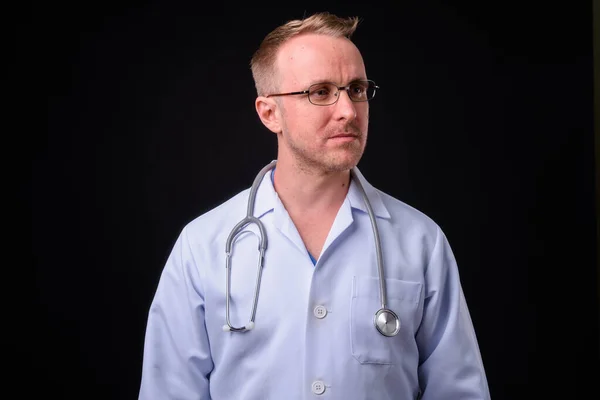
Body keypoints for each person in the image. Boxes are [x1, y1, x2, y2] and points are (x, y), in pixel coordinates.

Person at [138, 11, 491, 399]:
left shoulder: (420, 241)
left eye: (356, 89)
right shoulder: (202, 246)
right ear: (270, 113)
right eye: (320, 92)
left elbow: (458, 392)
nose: (348, 111)